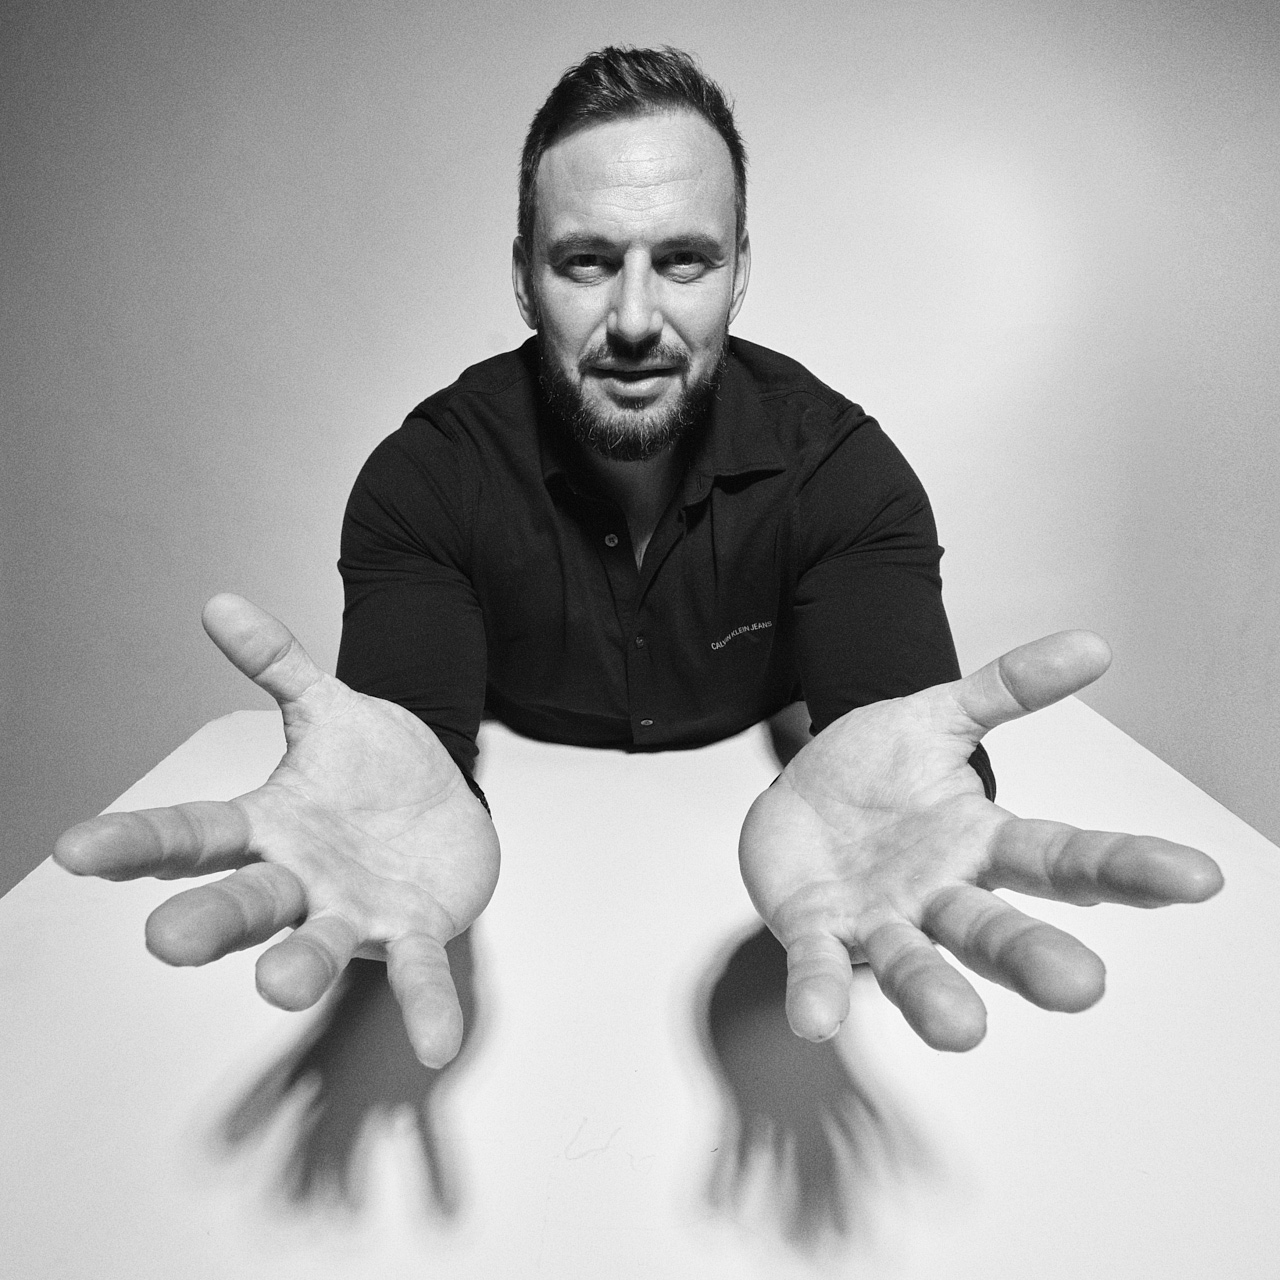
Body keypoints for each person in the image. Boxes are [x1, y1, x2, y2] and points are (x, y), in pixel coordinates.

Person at [55, 47, 1222, 1069]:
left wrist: (917, 810)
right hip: (547, 892)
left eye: (681, 260)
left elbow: (889, 732)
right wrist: (386, 813)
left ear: (739, 269)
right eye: (583, 261)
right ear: (522, 275)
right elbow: (405, 745)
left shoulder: (842, 473)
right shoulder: (425, 479)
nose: (630, 318)